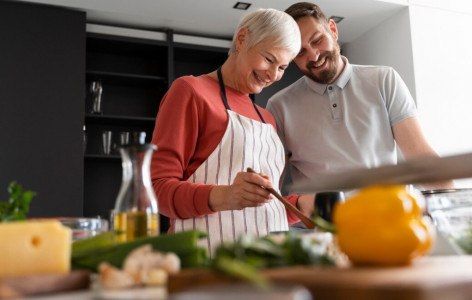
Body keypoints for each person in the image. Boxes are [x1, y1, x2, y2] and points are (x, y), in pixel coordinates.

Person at [150, 8, 313, 257]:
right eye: (269, 59)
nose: (272, 75)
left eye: (282, 67)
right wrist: (226, 196)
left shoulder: (266, 118)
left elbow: (262, 205)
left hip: (268, 266)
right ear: (242, 39)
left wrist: (301, 205)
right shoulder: (191, 92)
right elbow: (157, 188)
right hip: (207, 262)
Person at [266, 2, 454, 200]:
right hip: (322, 226)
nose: (313, 55)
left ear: (332, 29)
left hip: (388, 216)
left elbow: (419, 155)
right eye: (300, 52)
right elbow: (272, 186)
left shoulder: (383, 79)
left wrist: (453, 208)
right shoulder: (279, 106)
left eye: (317, 40)